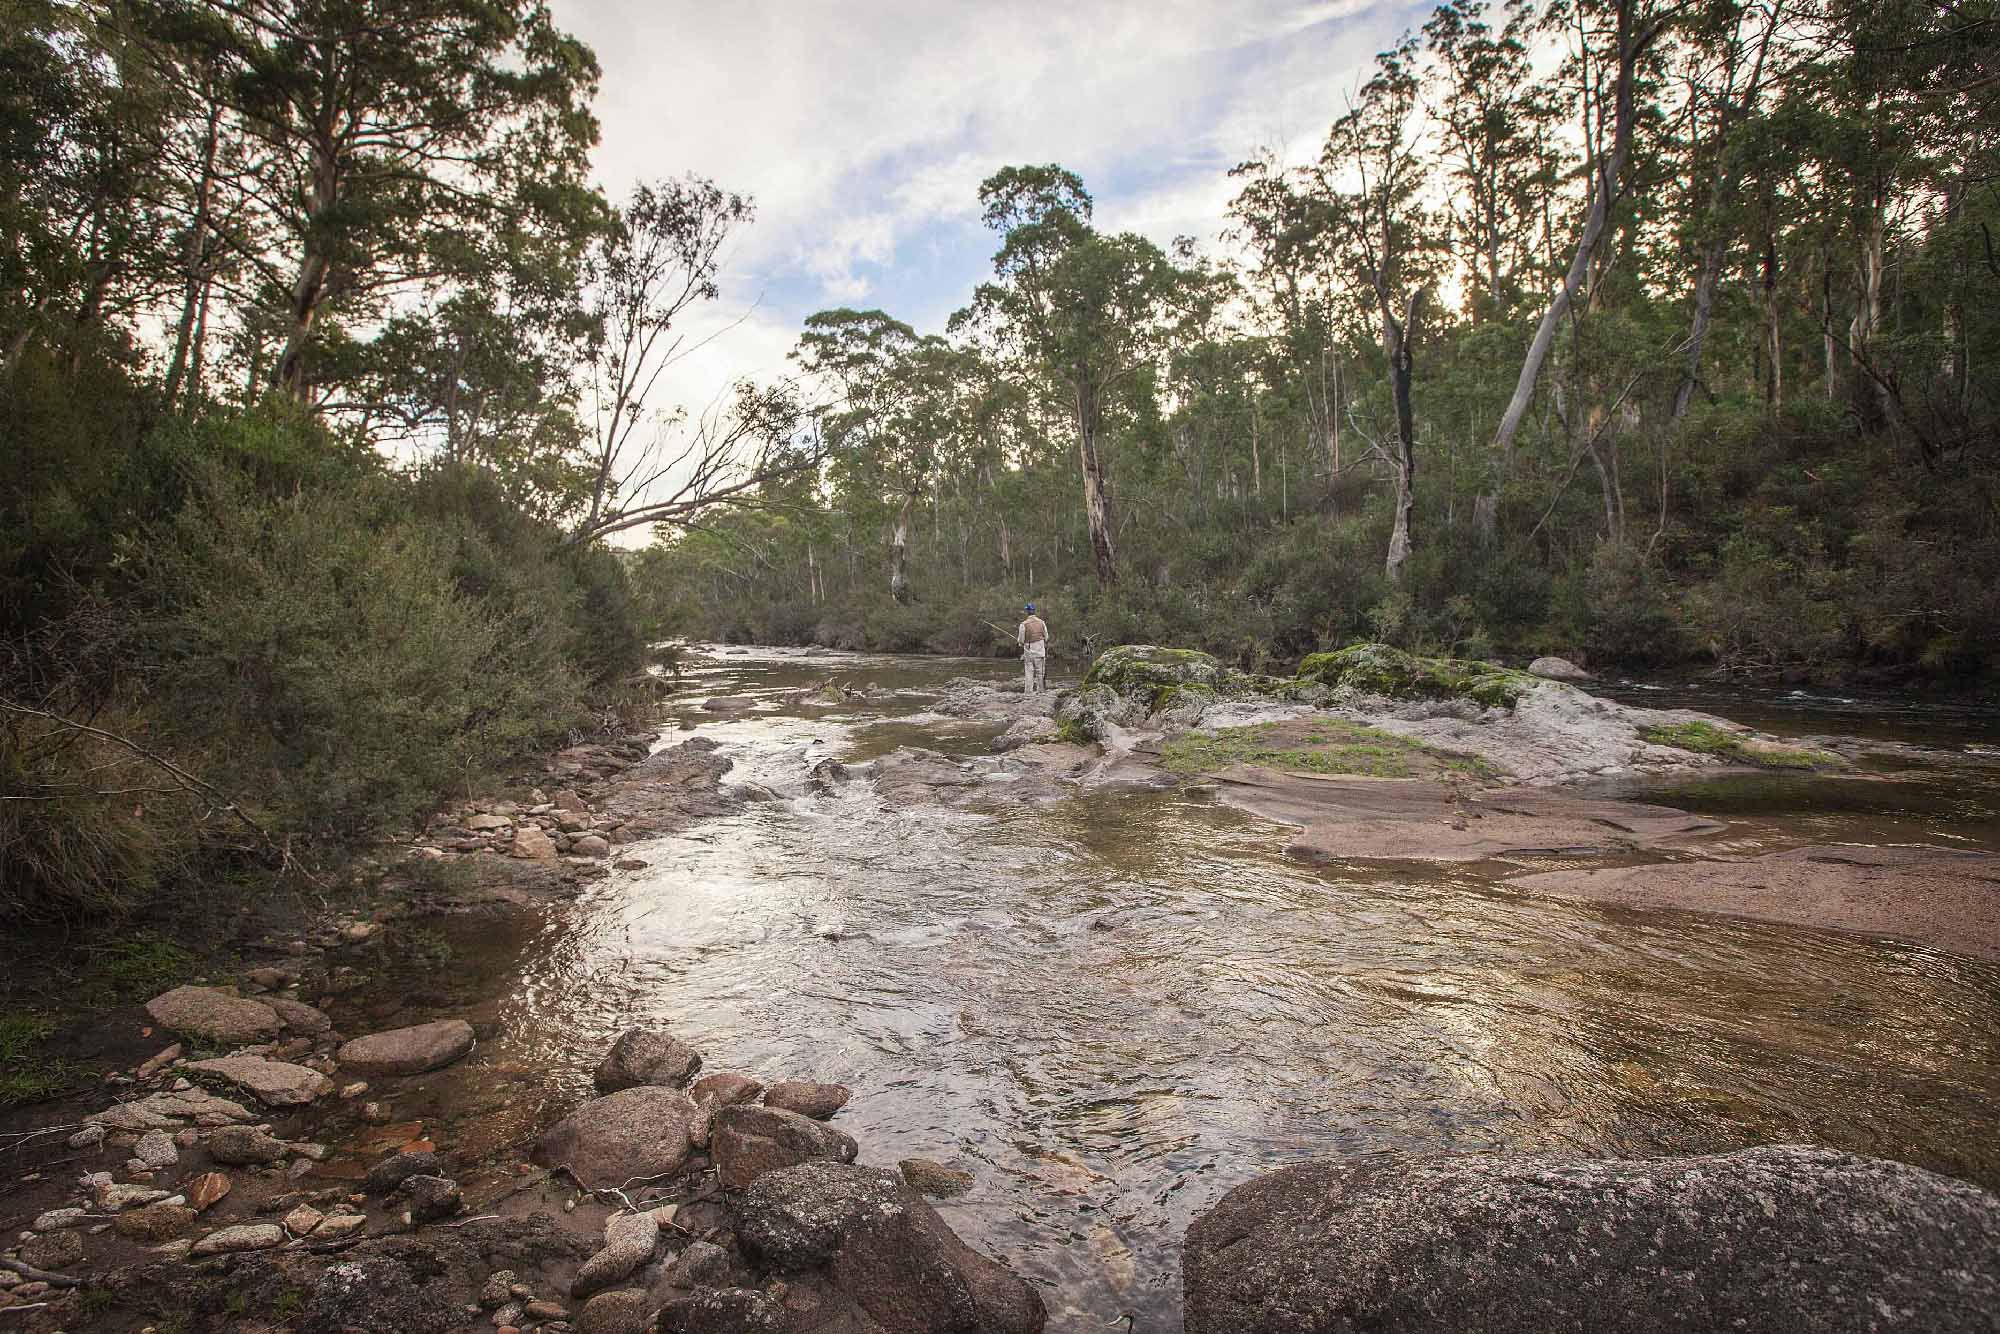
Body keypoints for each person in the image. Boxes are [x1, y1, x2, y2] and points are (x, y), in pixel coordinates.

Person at [1016, 603, 1049, 693]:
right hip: (1040, 652)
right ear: (1034, 611)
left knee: (1029, 673)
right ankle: (1041, 691)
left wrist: (1020, 643)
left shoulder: (1023, 624)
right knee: (1040, 673)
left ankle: (1028, 693)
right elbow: (1046, 637)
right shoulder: (1042, 623)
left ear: (1027, 612)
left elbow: (1021, 640)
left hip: (1029, 653)